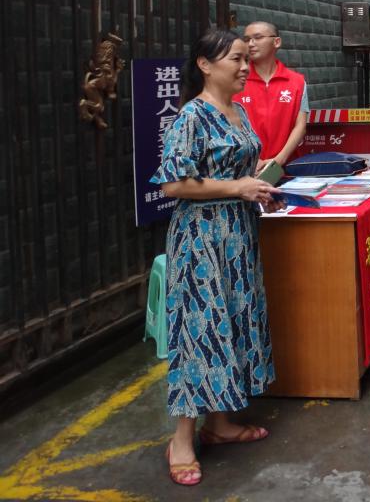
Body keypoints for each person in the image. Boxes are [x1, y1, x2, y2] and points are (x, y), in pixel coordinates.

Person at [151, 28, 282, 487]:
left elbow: (241, 172)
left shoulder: (239, 112)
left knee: (233, 322)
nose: (245, 67)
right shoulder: (191, 116)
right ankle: (182, 441)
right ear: (205, 65)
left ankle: (220, 423)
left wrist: (260, 188)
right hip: (201, 239)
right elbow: (173, 185)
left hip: (238, 235)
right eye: (236, 60)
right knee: (199, 331)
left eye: (247, 58)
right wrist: (237, 187)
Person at [239, 21, 309, 174]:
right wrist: (251, 160)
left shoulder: (297, 81)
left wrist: (278, 161)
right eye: (246, 39)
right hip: (246, 170)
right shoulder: (236, 80)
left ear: (276, 42)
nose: (250, 44)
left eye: (258, 37)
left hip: (288, 169)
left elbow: (300, 126)